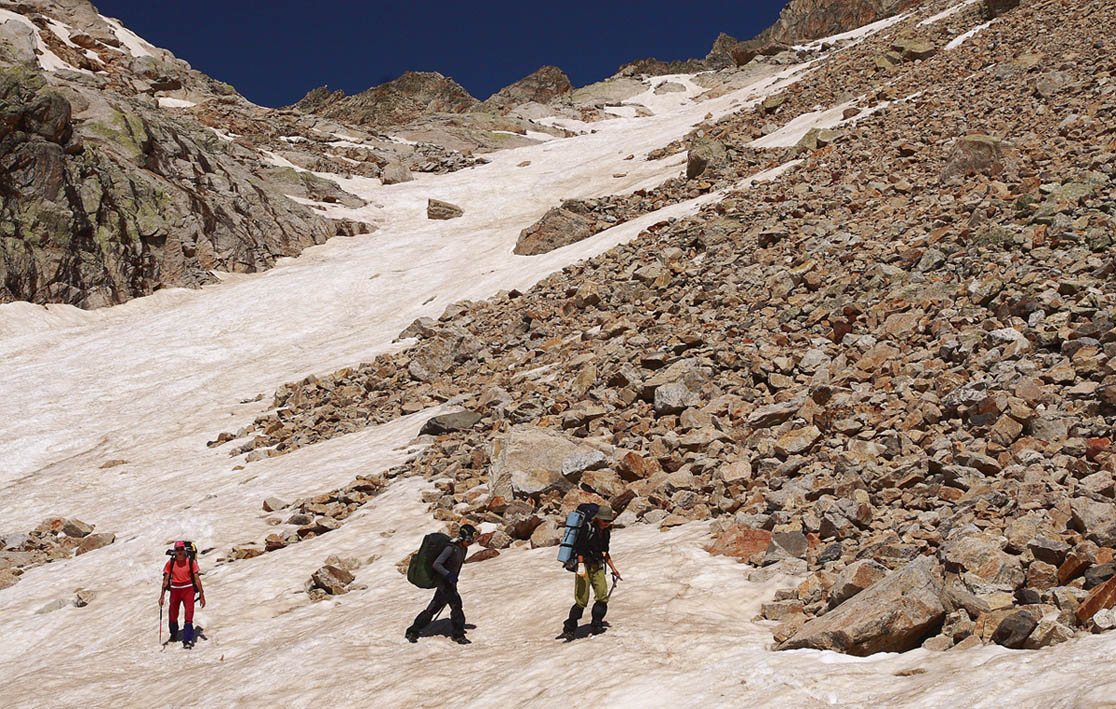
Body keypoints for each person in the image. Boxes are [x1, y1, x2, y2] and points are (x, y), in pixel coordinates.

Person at [406, 524, 476, 645]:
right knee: (456, 605)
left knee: (433, 608)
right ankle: (458, 635)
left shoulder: (463, 549)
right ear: (462, 538)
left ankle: (413, 631)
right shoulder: (451, 548)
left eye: (472, 540)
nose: (470, 542)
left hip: (450, 582)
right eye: (468, 539)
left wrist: (453, 578)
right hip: (444, 582)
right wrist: (449, 575)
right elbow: (437, 564)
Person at [560, 505, 622, 640]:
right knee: (582, 600)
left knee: (602, 596)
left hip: (597, 565)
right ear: (598, 519)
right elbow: (580, 549)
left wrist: (614, 569)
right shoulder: (587, 529)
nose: (607, 523)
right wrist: (581, 566)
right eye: (604, 521)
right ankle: (570, 627)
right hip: (584, 566)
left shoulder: (606, 533)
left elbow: (605, 552)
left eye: (608, 521)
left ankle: (597, 623)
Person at [159, 541, 206, 648]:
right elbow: (166, 580)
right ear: (175, 551)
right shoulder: (170, 563)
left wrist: (202, 595)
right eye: (178, 550)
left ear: (184, 550)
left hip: (188, 589)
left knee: (189, 614)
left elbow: (197, 579)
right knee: (173, 614)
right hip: (175, 590)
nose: (179, 552)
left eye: (181, 549)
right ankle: (173, 634)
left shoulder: (191, 562)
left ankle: (187, 639)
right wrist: (162, 596)